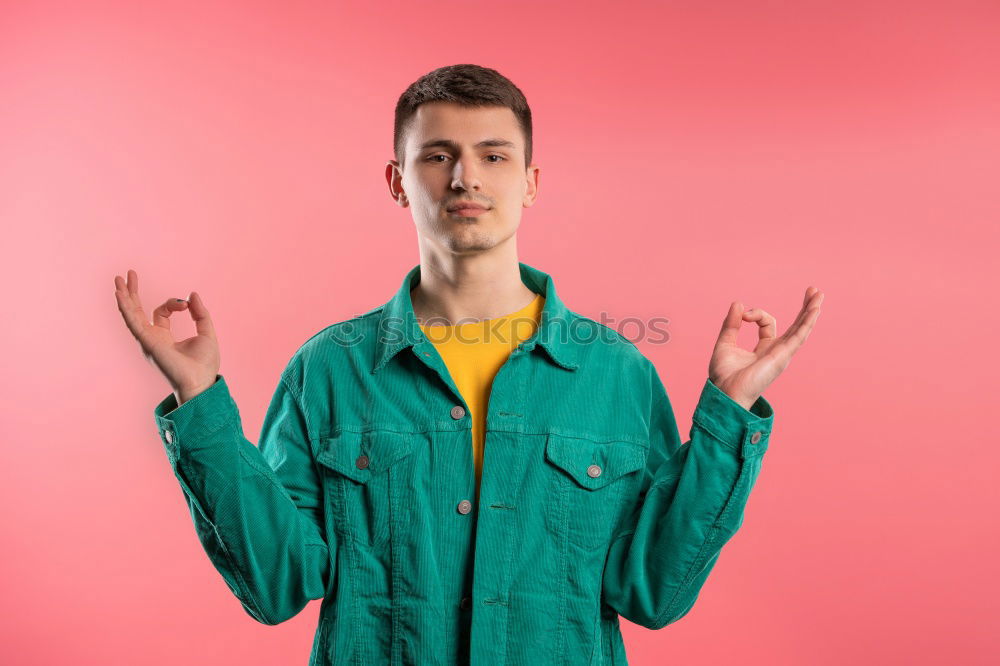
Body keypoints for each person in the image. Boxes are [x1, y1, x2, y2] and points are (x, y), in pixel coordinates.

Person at [114, 64, 823, 665]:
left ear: (531, 181)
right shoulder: (327, 369)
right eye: (436, 155)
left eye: (494, 155)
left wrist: (728, 413)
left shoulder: (615, 373)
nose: (464, 178)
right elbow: (275, 586)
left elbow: (654, 592)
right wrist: (199, 397)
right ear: (397, 181)